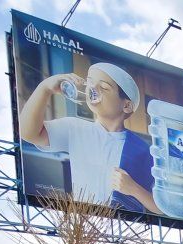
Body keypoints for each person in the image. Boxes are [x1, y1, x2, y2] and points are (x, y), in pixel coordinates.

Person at [19, 63, 158, 214]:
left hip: (126, 227)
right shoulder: (76, 128)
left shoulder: (143, 150)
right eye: (90, 83)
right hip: (84, 222)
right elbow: (29, 133)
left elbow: (160, 208)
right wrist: (45, 88)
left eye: (104, 87)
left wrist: (134, 189)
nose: (93, 89)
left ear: (127, 106)